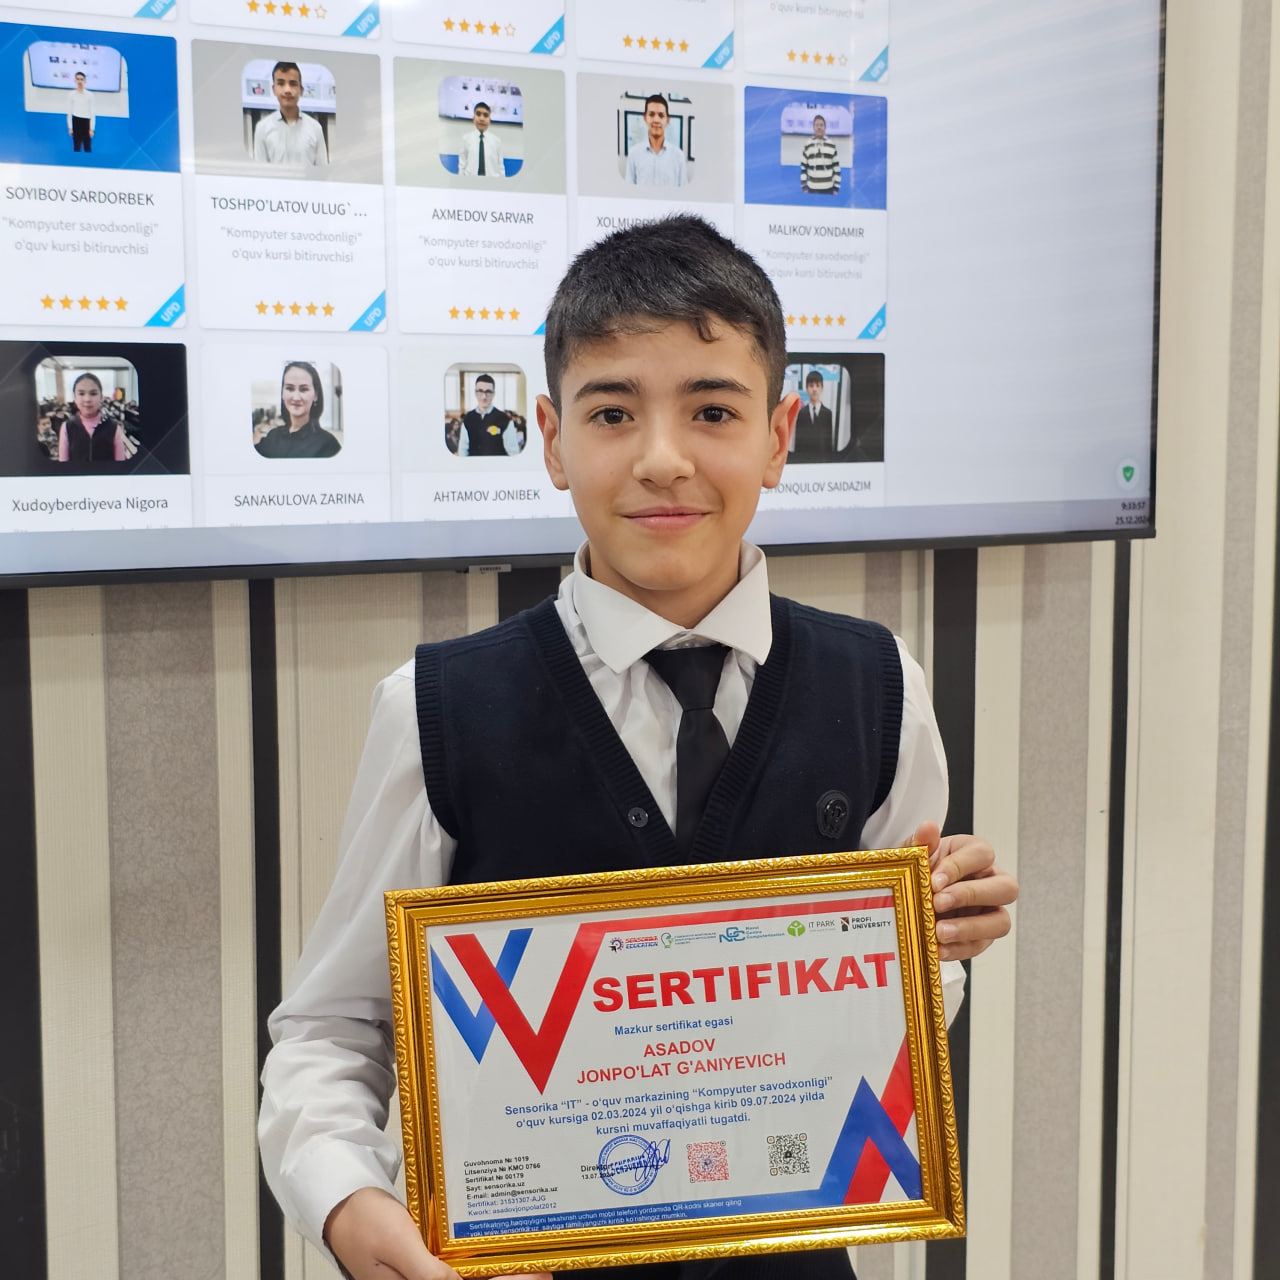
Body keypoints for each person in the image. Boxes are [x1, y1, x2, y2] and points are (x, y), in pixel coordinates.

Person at [258, 215, 1017, 1280]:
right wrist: (349, 1205)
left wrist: (927, 950)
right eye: (612, 412)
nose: (663, 459)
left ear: (779, 436)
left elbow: (896, 1015)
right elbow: (332, 1032)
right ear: (552, 438)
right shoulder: (435, 708)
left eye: (713, 410)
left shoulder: (879, 685)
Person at [255, 361, 341, 458]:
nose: (296, 397)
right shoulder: (273, 437)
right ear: (282, 393)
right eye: (290, 388)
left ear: (316, 395)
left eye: (304, 389)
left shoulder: (328, 445)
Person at [254, 61, 329, 169]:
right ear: (273, 89)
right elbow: (260, 173)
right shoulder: (262, 128)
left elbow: (323, 171)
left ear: (301, 90)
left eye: (293, 84)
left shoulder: (315, 128)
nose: (287, 90)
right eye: (281, 83)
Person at [58, 372, 125, 462]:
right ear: (75, 398)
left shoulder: (113, 427)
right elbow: (63, 465)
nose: (87, 399)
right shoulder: (67, 427)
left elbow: (120, 465)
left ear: (101, 397)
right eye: (81, 393)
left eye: (93, 393)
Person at [626, 94, 688, 187]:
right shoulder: (634, 154)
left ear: (667, 120)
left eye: (661, 115)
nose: (656, 120)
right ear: (645, 118)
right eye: (651, 114)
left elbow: (683, 192)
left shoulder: (678, 156)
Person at [455, 373, 522, 455]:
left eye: (488, 391)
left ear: (494, 394)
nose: (484, 396)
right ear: (475, 393)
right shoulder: (467, 419)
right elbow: (463, 451)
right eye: (480, 391)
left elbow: (513, 453)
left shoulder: (505, 420)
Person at [792, 368, 840, 461]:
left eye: (817, 386)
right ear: (807, 388)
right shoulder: (801, 413)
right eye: (811, 386)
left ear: (822, 388)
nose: (814, 389)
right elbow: (798, 442)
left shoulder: (828, 413)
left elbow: (829, 441)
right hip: (805, 459)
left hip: (822, 459)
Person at [456, 101, 505, 178]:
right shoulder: (465, 139)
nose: (482, 118)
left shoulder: (497, 141)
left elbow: (501, 168)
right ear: (473, 118)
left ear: (490, 120)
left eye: (486, 115)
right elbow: (462, 166)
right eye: (478, 114)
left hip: (492, 182)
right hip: (470, 182)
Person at [800, 114, 840, 195]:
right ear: (813, 127)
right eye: (816, 125)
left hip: (829, 189)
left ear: (825, 127)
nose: (819, 127)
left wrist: (836, 187)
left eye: (821, 125)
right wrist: (804, 186)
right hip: (811, 189)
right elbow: (803, 167)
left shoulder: (831, 144)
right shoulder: (808, 145)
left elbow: (836, 168)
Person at [66, 72, 94, 154]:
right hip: (76, 121)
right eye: (77, 79)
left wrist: (91, 129)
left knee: (87, 147)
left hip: (86, 122)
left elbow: (92, 113)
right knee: (76, 147)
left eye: (81, 79)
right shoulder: (71, 94)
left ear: (85, 81)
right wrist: (70, 127)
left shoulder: (90, 95)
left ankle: (88, 162)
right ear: (75, 81)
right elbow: (69, 112)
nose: (79, 81)